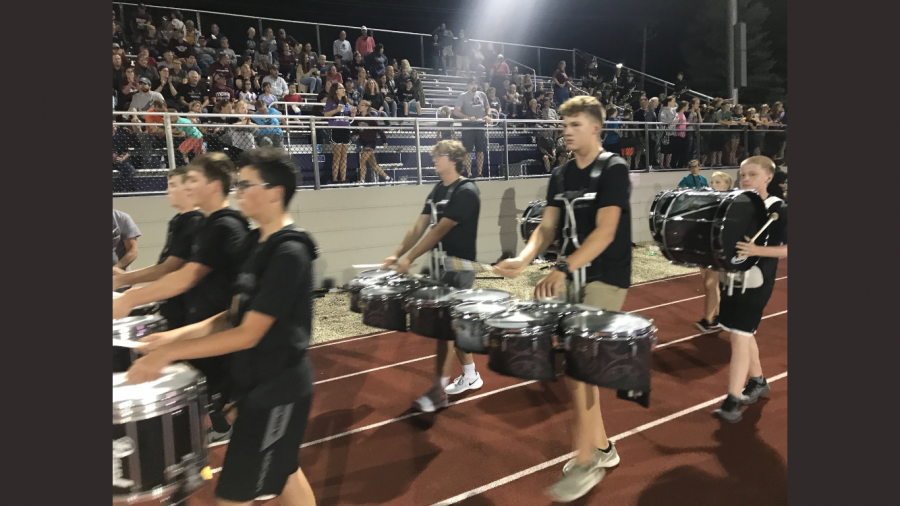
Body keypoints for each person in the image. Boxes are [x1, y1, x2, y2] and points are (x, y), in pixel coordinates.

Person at [126, 148, 319, 506]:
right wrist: (173, 336)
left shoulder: (289, 253)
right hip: (256, 383)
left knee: (233, 495)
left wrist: (169, 353)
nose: (239, 191)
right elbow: (231, 316)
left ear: (275, 192)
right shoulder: (255, 242)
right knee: (286, 472)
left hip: (279, 388)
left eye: (246, 185)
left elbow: (249, 333)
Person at [495, 96, 631, 502]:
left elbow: (606, 232)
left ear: (595, 127)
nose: (566, 130)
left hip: (605, 276)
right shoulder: (560, 173)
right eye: (564, 123)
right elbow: (547, 226)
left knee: (581, 367)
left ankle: (588, 460)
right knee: (572, 366)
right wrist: (522, 259)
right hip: (572, 273)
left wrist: (562, 269)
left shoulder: (613, 169)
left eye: (574, 124)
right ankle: (603, 448)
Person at [113, 153, 252, 443]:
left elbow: (186, 275)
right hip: (215, 319)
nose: (185, 187)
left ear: (213, 186)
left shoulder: (223, 225)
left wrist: (129, 295)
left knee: (223, 382)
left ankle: (225, 423)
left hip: (227, 322)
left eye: (192, 180)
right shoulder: (211, 224)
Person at [382, 140, 483, 412]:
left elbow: (440, 230)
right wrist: (397, 253)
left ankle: (439, 390)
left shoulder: (467, 191)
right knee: (452, 325)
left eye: (438, 155)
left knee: (445, 327)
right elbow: (420, 225)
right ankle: (471, 374)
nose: (433, 158)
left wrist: (409, 258)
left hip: (459, 268)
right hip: (440, 267)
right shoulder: (438, 189)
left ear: (453, 158)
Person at [712, 156, 787, 423]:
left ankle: (732, 399)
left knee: (739, 336)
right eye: (743, 174)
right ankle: (757, 381)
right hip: (732, 279)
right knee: (738, 332)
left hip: (757, 281)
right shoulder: (736, 204)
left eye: (752, 174)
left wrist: (757, 250)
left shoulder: (778, 208)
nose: (745, 179)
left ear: (768, 177)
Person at [113, 167, 204, 329]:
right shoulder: (179, 220)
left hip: (191, 311)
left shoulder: (195, 222)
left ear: (189, 189)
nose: (167, 190)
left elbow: (169, 269)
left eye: (173, 185)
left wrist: (123, 280)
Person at [695, 170, 734, 333]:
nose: (713, 185)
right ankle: (718, 316)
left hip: (719, 248)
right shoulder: (709, 201)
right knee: (709, 284)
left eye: (718, 182)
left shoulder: (730, 203)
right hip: (705, 246)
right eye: (712, 182)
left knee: (711, 284)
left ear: (727, 185)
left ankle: (709, 320)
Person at [453, 77, 493, 177]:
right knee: (468, 150)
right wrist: (468, 118)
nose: (474, 86)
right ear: (468, 85)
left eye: (475, 84)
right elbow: (456, 111)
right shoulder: (463, 96)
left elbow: (488, 108)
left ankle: (479, 172)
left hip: (480, 125)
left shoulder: (482, 95)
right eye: (472, 84)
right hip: (468, 126)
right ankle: (469, 172)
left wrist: (488, 115)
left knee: (480, 150)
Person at [324, 82, 357, 183]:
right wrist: (336, 110)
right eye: (341, 88)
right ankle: (334, 179)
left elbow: (349, 115)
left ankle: (343, 179)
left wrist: (353, 113)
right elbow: (326, 114)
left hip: (346, 128)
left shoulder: (346, 101)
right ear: (336, 90)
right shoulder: (330, 101)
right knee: (337, 155)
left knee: (344, 155)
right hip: (336, 128)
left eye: (343, 88)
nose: (343, 90)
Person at [352, 100, 391, 182]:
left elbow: (379, 130)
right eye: (360, 105)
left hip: (371, 142)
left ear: (366, 107)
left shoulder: (370, 118)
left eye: (362, 105)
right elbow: (355, 129)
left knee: (362, 160)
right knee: (373, 165)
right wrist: (353, 135)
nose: (360, 106)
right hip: (363, 142)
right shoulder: (358, 117)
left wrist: (384, 140)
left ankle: (362, 180)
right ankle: (387, 178)